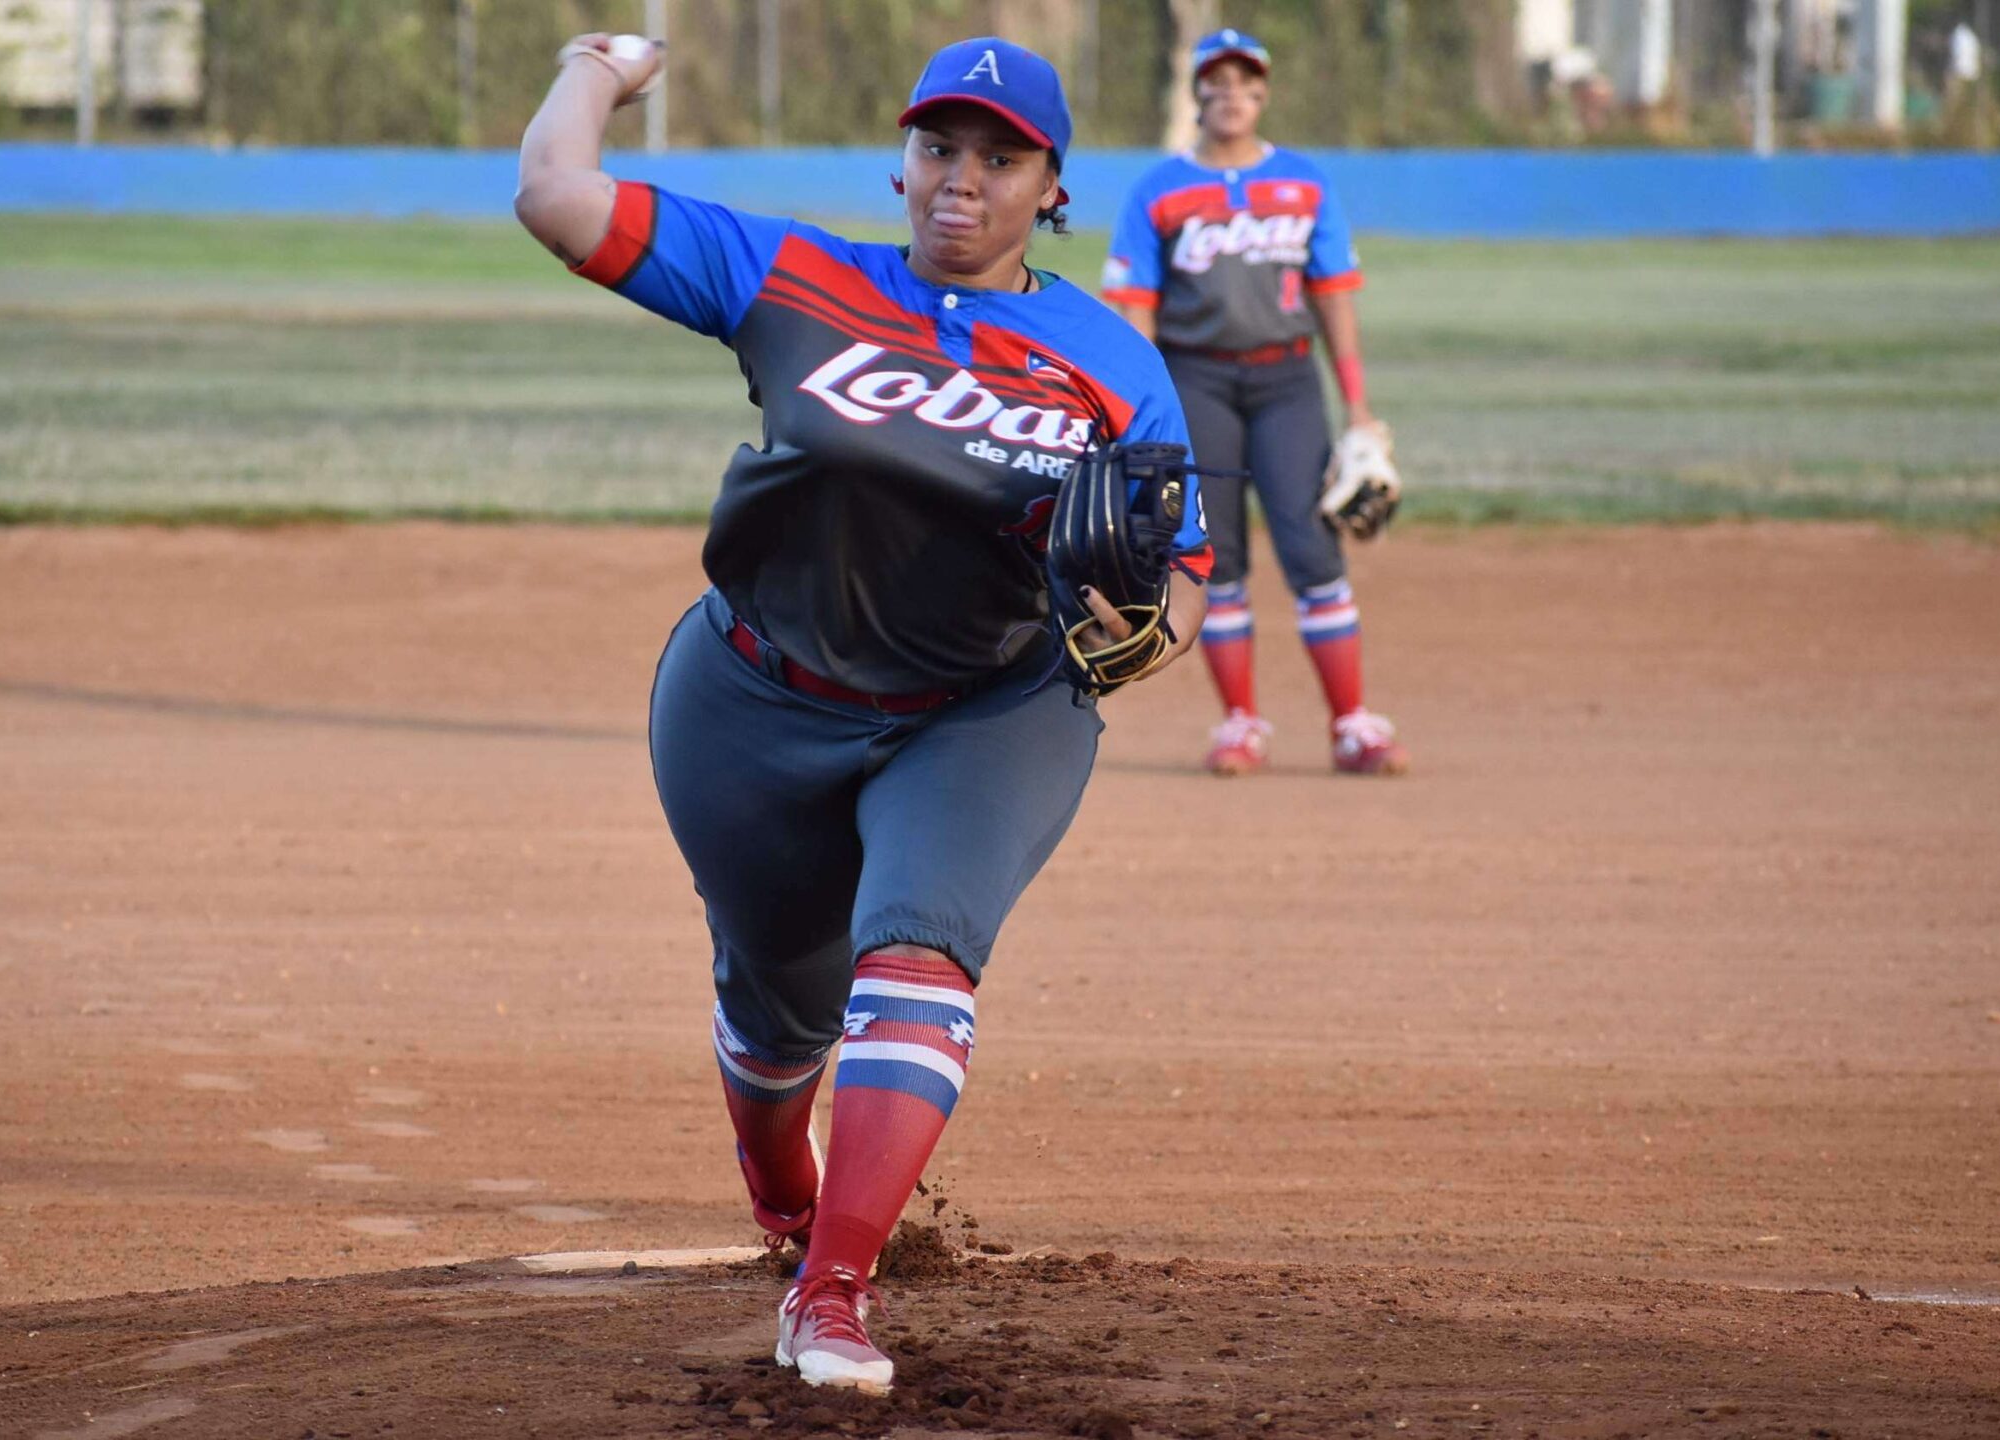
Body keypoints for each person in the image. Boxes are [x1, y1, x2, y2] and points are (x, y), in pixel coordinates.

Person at [515, 34, 1212, 1395]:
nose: (964, 179)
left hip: (988, 708)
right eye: (940, 149)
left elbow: (1182, 572)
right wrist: (597, 68)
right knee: (780, 1009)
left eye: (1000, 158)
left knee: (919, 960)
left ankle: (831, 1295)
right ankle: (782, 1191)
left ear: (1050, 186)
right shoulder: (794, 277)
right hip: (751, 701)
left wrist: (1145, 636)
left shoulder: (1107, 360)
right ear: (899, 164)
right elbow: (555, 196)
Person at [1103, 27, 1408, 777]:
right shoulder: (1160, 189)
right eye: (1217, 81)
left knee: (1311, 548)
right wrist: (1140, 416)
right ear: (1198, 92)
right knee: (1220, 556)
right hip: (1196, 380)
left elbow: (1332, 295)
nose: (1231, 94)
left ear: (1263, 93)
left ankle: (1352, 725)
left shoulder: (1304, 183)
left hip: (1286, 381)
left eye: (1246, 82)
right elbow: (1135, 307)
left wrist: (1359, 408)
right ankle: (1239, 724)